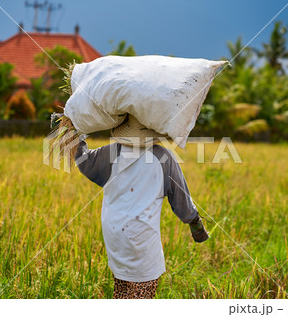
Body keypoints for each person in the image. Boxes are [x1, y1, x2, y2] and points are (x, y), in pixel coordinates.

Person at [74, 114, 209, 299]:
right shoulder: (164, 158)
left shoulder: (111, 153)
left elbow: (83, 160)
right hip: (142, 242)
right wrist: (196, 226)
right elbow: (181, 200)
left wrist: (73, 132)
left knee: (122, 292)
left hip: (114, 236)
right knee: (141, 295)